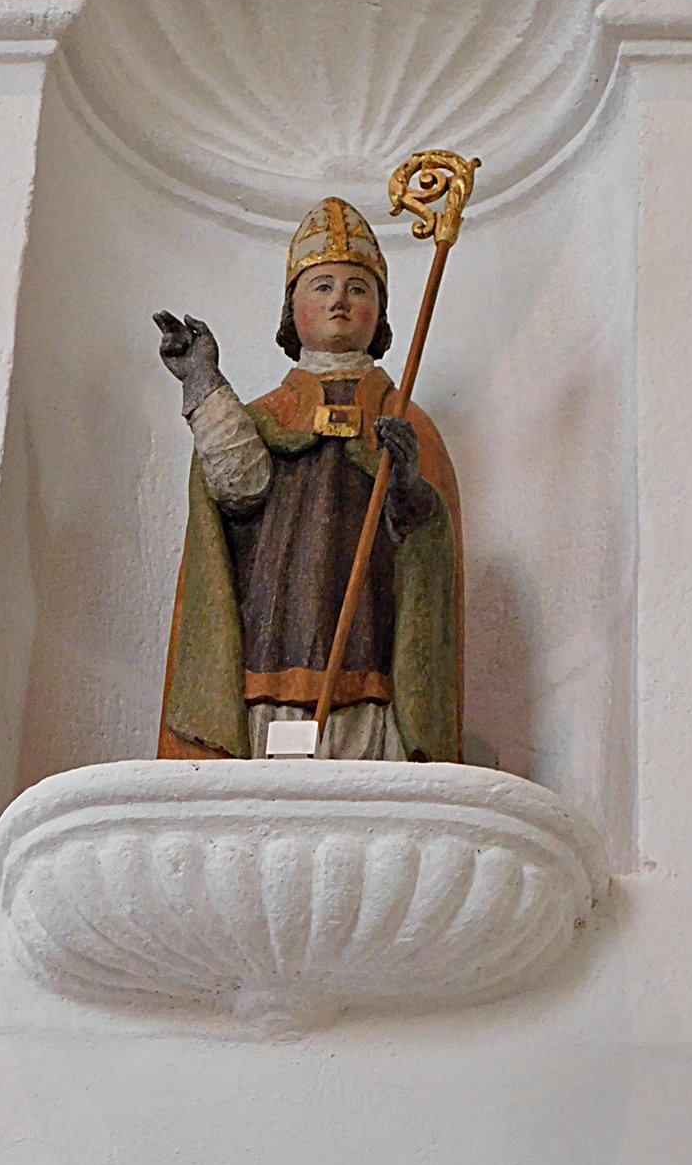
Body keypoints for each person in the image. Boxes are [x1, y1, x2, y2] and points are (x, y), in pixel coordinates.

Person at [153, 197, 462, 762]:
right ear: (291, 308)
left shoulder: (404, 417)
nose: (340, 301)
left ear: (381, 313)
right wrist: (203, 382)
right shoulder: (268, 413)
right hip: (274, 642)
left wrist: (410, 490)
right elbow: (239, 490)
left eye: (358, 288)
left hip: (369, 654)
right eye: (321, 287)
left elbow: (429, 545)